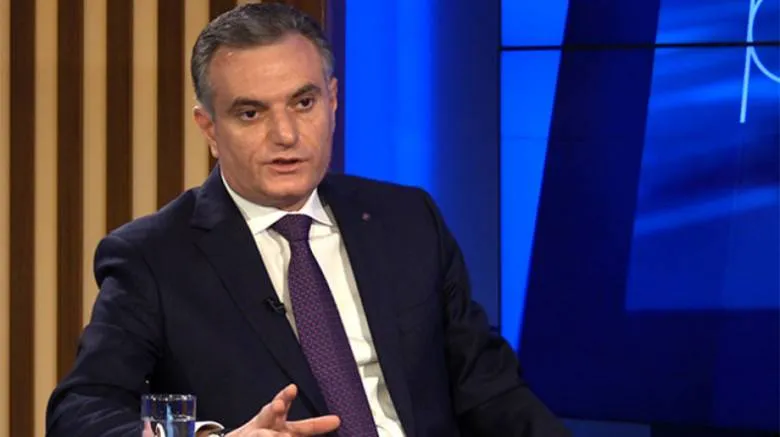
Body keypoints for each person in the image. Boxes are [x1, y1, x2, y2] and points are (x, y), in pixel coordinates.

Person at [46, 3, 570, 436]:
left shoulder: (408, 219)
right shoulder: (153, 257)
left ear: (333, 101)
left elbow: (491, 392)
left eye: (303, 103)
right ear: (209, 129)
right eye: (251, 113)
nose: (286, 135)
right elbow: (80, 412)